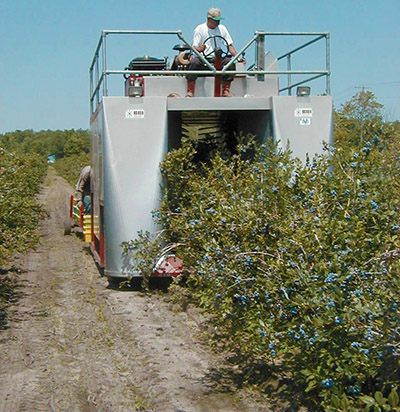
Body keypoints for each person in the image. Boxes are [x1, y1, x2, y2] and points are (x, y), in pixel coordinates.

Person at [186, 7, 245, 98]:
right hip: (203, 59)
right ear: (209, 19)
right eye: (215, 20)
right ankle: (190, 92)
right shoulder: (199, 29)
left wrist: (238, 58)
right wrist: (200, 49)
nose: (218, 22)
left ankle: (225, 91)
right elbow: (194, 47)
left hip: (217, 59)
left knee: (229, 63)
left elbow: (229, 46)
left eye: (218, 20)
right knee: (194, 63)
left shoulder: (222, 29)